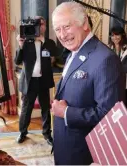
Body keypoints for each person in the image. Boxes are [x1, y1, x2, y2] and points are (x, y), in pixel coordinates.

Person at [51, 2, 125, 165]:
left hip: (84, 154)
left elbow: (109, 116)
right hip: (66, 145)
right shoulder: (73, 53)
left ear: (84, 23)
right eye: (57, 29)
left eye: (67, 27)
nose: (62, 35)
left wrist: (66, 112)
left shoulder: (105, 59)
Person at [14, 16, 57, 144]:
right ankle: (22, 132)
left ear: (45, 26)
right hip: (29, 81)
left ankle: (47, 134)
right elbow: (17, 61)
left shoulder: (49, 42)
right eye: (38, 24)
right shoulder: (26, 42)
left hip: (43, 80)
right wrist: (20, 46)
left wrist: (42, 40)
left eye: (42, 24)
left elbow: (55, 53)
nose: (40, 26)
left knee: (45, 108)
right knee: (26, 108)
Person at [109, 26, 127, 104]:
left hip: (125, 83)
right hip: (112, 83)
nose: (114, 37)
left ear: (122, 35)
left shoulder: (126, 49)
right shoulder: (109, 48)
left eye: (117, 35)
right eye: (112, 35)